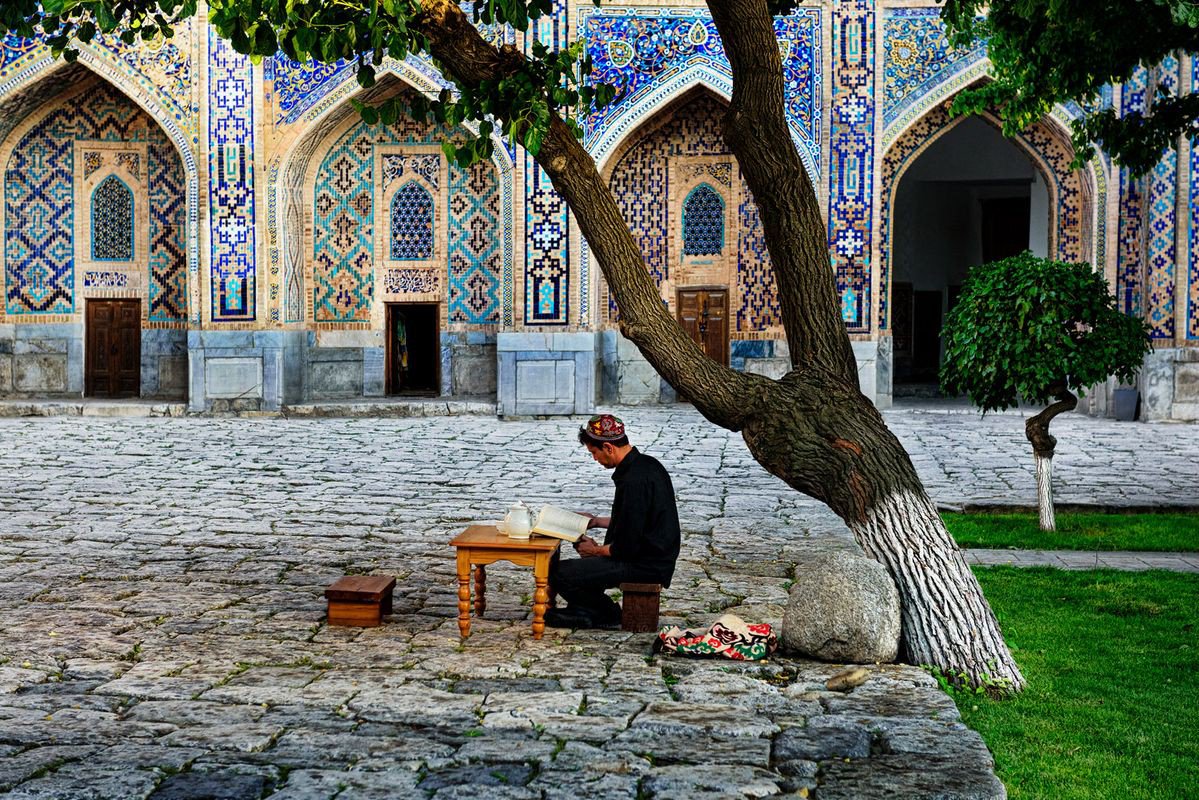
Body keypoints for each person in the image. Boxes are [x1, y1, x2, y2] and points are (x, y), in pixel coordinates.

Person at [546, 414, 681, 629]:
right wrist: (596, 522)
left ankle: (605, 613)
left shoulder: (633, 480)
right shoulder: (646, 464)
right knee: (576, 570)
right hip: (651, 556)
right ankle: (587, 612)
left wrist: (595, 551)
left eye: (594, 453)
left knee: (559, 573)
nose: (595, 459)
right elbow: (635, 520)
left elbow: (627, 546)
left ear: (608, 447)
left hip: (646, 564)